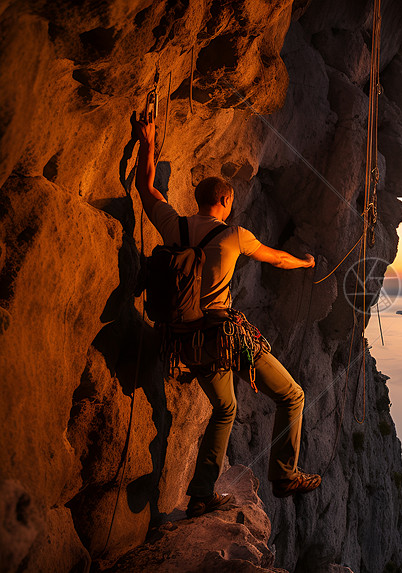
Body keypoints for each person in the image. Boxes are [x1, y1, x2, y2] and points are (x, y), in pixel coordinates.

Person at [130, 112, 321, 518]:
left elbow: (145, 188)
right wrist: (305, 264)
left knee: (225, 409)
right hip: (221, 337)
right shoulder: (234, 235)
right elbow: (277, 259)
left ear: (198, 200)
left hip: (182, 338)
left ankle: (201, 494)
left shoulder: (173, 226)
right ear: (226, 201)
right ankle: (284, 474)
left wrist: (146, 142)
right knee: (292, 395)